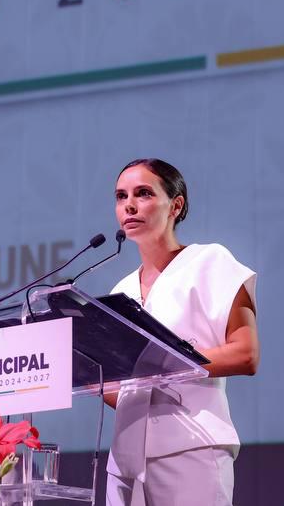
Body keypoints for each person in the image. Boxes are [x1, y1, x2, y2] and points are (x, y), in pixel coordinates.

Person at [104, 159, 259, 506]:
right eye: (121, 196)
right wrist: (95, 372)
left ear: (176, 205)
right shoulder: (121, 292)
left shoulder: (209, 262)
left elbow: (245, 353)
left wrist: (162, 365)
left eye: (143, 193)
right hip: (126, 461)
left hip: (192, 447)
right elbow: (124, 391)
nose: (129, 205)